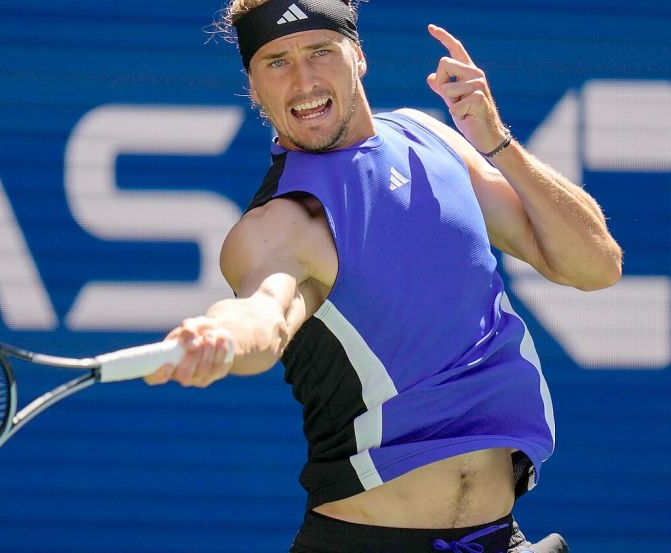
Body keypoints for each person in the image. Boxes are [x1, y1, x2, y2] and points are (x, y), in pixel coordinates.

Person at [144, 0, 623, 551]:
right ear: (253, 87)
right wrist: (221, 338)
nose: (302, 79)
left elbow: (595, 266)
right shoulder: (281, 222)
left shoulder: (430, 137)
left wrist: (495, 141)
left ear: (358, 57)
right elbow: (263, 316)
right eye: (276, 62)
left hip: (498, 537)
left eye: (320, 51)